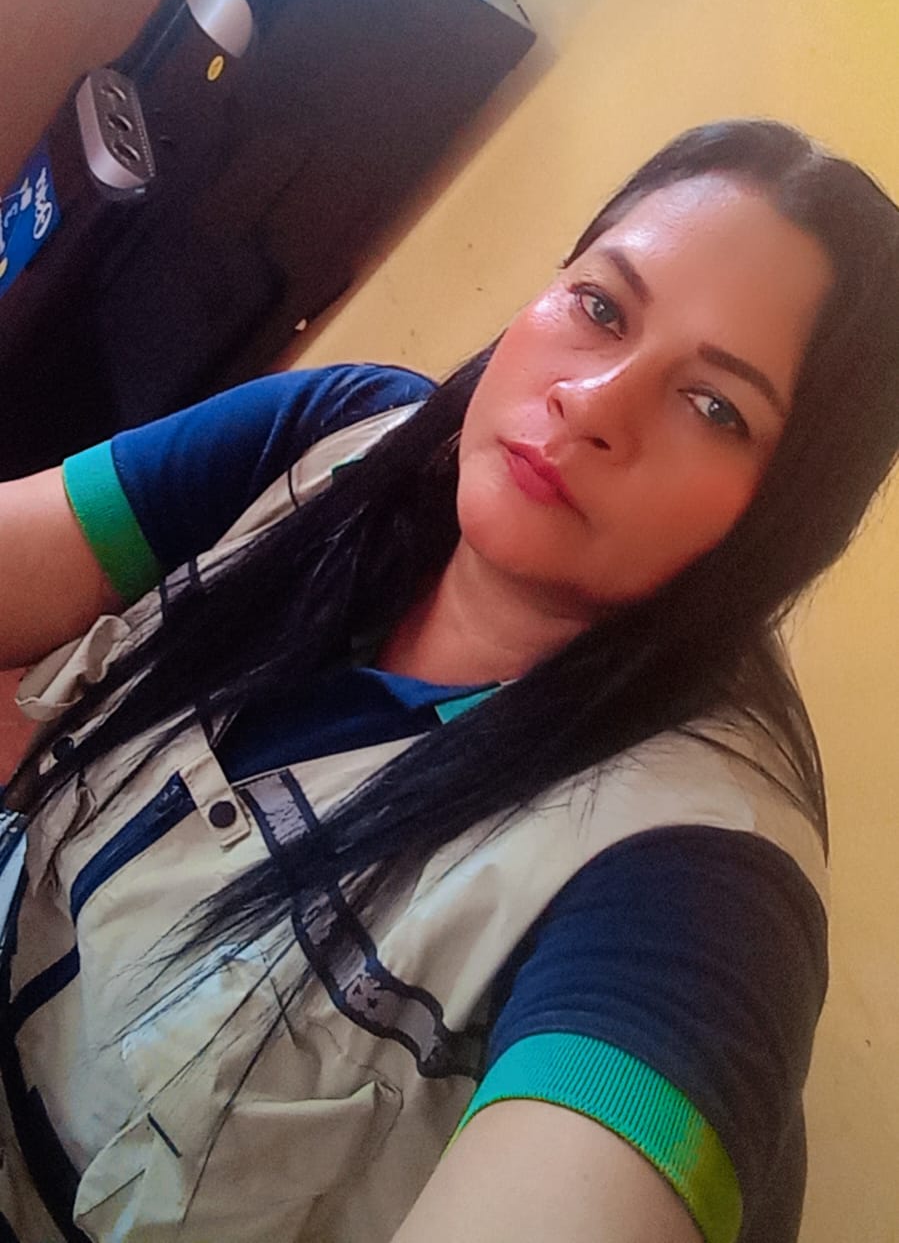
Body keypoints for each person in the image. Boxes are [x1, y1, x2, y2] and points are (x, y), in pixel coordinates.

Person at [0, 119, 897, 1243]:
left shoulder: (700, 883)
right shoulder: (340, 439)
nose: (593, 402)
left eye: (715, 408)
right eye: (600, 307)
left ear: (781, 520)